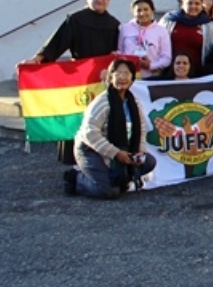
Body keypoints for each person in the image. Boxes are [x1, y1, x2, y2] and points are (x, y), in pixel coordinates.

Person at [63, 58, 156, 198]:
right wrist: (116, 153)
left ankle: (117, 178)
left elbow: (141, 128)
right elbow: (89, 133)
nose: (122, 78)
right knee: (107, 192)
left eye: (127, 74)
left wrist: (139, 152)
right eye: (118, 74)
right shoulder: (102, 102)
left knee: (148, 162)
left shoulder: (134, 101)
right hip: (91, 149)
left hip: (122, 149)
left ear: (132, 78)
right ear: (110, 77)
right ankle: (77, 178)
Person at [158, 0, 213, 72]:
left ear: (201, 5)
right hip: (170, 72)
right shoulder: (168, 20)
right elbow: (158, 43)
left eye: (197, 3)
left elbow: (212, 49)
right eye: (189, 3)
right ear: (182, 4)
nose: (193, 6)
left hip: (197, 73)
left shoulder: (207, 24)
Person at [118, 0, 171, 79]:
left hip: (152, 77)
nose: (142, 13)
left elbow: (167, 58)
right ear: (132, 12)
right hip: (128, 77)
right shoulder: (125, 28)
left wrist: (151, 66)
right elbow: (120, 52)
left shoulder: (161, 31)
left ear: (152, 10)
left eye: (146, 9)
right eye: (138, 10)